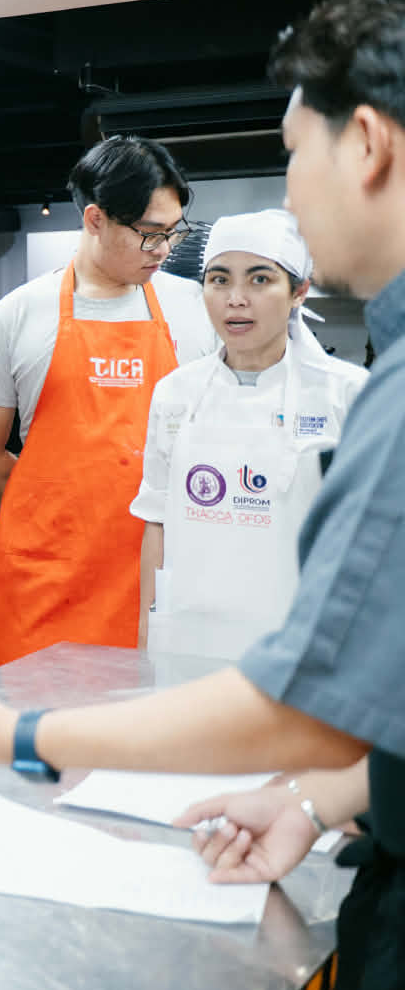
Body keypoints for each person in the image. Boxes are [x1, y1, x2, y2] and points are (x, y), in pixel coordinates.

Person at [0, 0, 405, 990]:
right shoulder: (30, 315)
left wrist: (17, 738)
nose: (289, 200)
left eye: (293, 157)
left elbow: (308, 704)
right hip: (55, 580)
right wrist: (328, 803)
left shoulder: (369, 392)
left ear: (370, 147)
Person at [0, 137, 217, 675]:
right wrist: (54, 516)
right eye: (150, 233)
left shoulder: (195, 309)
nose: (164, 249)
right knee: (29, 717)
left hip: (157, 573)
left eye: (175, 232)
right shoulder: (18, 315)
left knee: (146, 716)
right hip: (46, 577)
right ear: (95, 219)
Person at [132, 209, 366, 659]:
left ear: (299, 291)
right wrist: (148, 633)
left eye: (260, 279)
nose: (235, 300)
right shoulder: (176, 393)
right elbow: (156, 521)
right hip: (189, 636)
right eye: (219, 280)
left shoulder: (346, 394)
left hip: (299, 640)